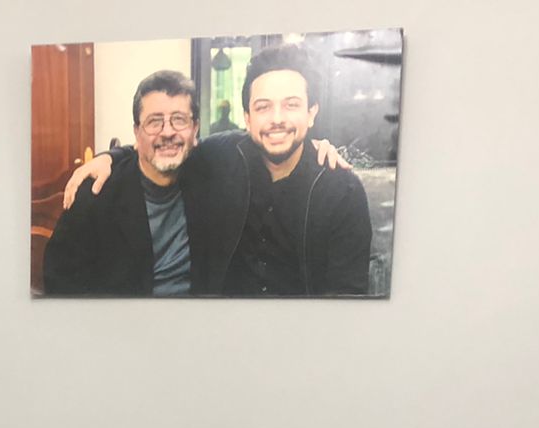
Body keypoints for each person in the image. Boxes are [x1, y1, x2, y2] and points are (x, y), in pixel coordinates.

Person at [63, 45, 372, 296]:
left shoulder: (342, 192)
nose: (277, 119)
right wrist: (111, 156)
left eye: (291, 105)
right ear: (247, 118)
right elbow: (167, 146)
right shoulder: (222, 157)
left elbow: (347, 299)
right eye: (263, 107)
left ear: (311, 113)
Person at [43, 70, 200, 297]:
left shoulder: (210, 177)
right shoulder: (95, 194)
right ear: (136, 132)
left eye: (179, 119)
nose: (167, 132)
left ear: (195, 129)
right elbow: (59, 284)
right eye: (154, 122)